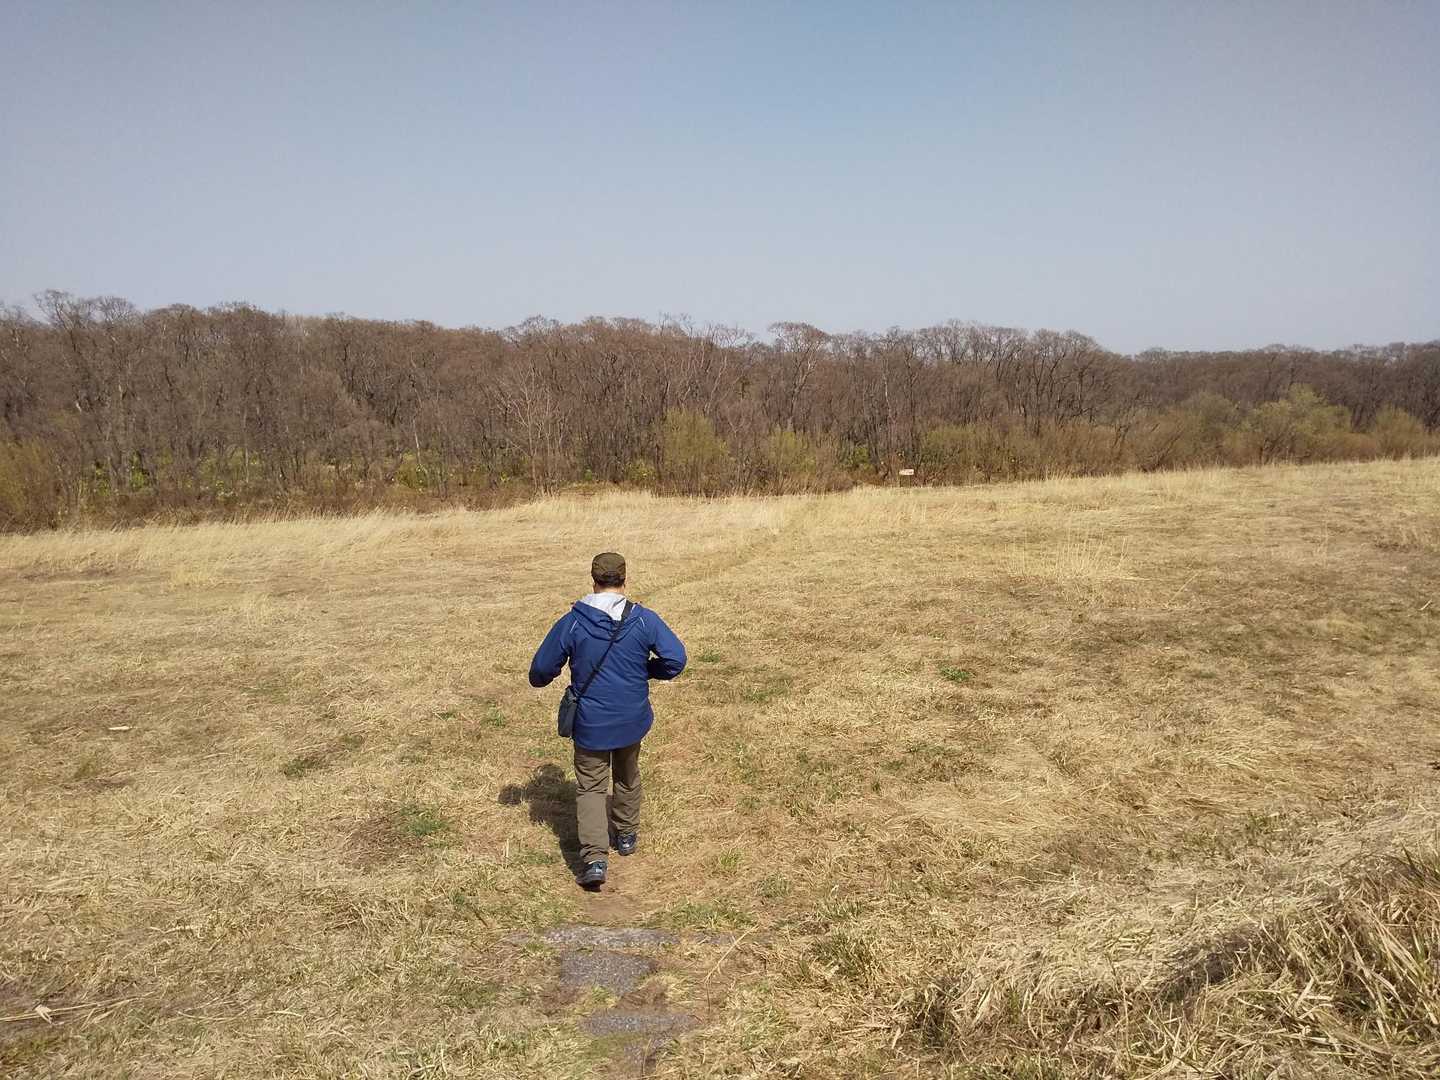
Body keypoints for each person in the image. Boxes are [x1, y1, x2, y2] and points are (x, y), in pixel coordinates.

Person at [528, 552, 687, 887]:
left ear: (593, 581)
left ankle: (595, 859)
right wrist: (646, 670)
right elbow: (676, 659)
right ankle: (626, 834)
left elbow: (540, 670)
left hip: (591, 721)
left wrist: (549, 677)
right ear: (624, 580)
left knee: (590, 787)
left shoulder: (573, 622)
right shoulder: (643, 619)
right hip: (632, 718)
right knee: (627, 775)